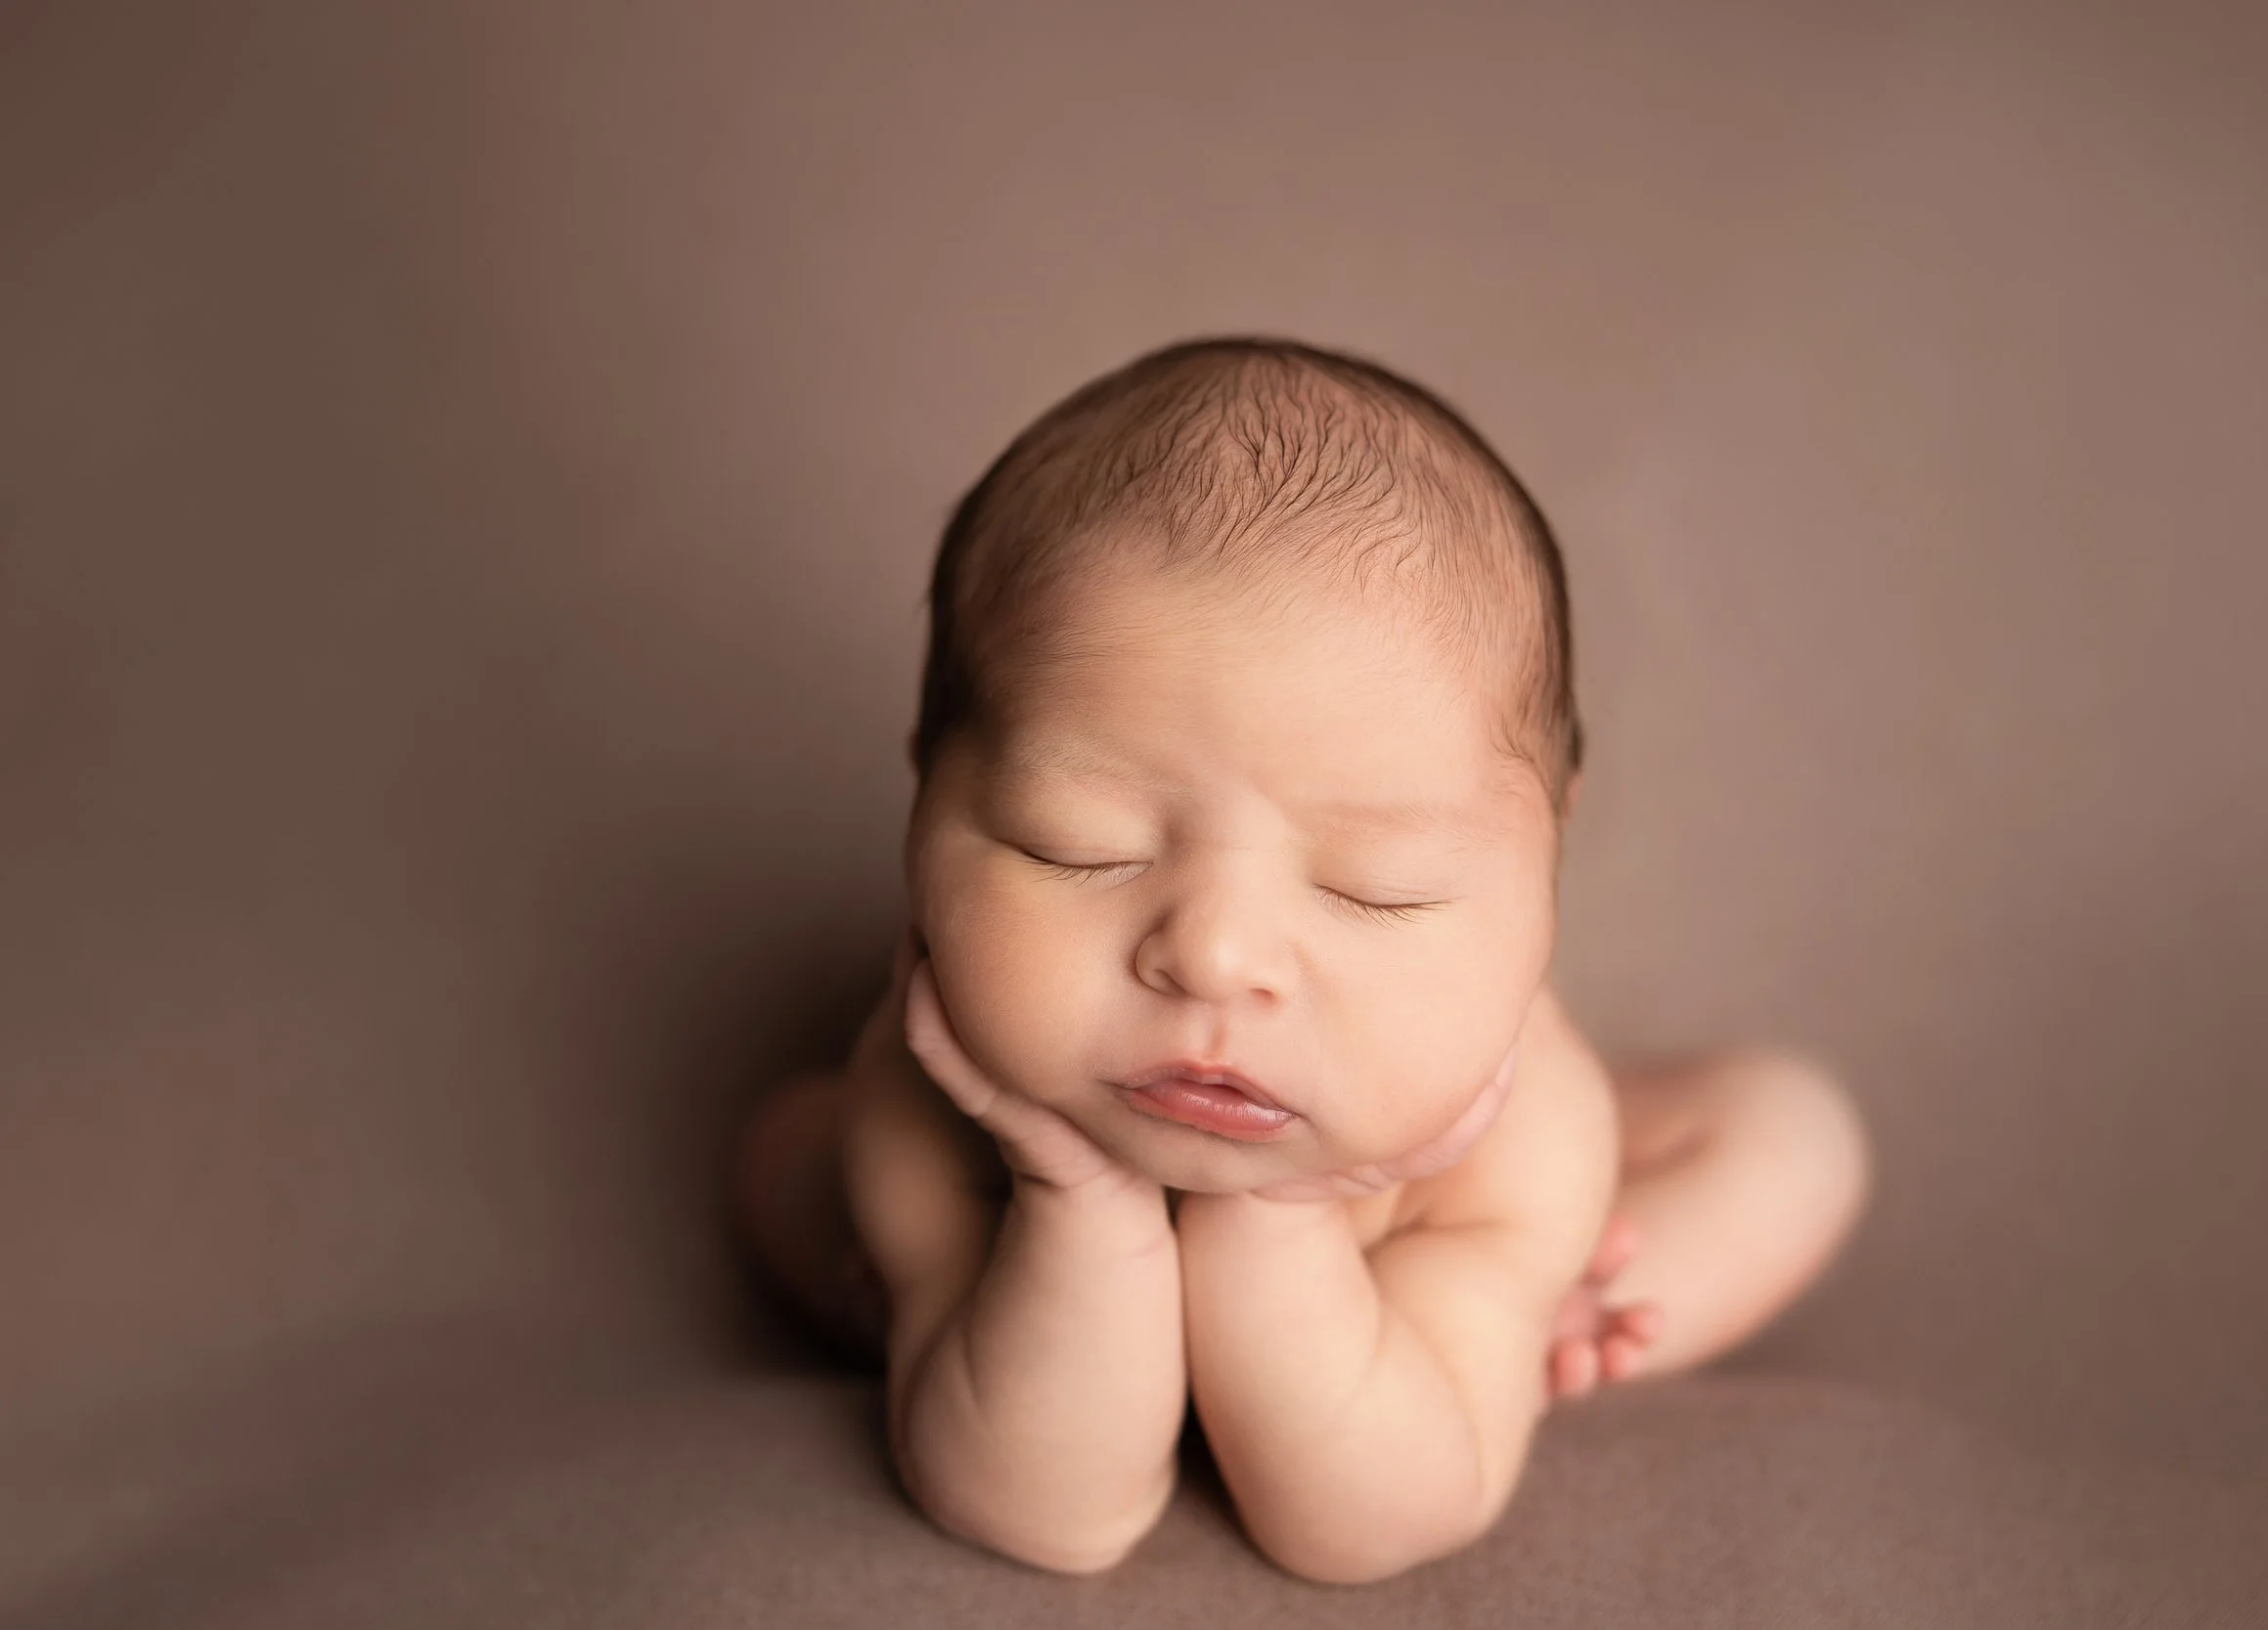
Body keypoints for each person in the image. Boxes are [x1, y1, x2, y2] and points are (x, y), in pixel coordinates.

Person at [731, 337, 1871, 1583]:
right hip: (1001, 1196)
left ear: (1544, 853)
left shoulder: (1522, 1131)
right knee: (788, 1153)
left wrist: (1280, 1218)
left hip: (1418, 1233)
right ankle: (928, 1312)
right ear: (926, 789)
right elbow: (1049, 1513)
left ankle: (1519, 1330)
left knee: (1790, 1134)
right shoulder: (933, 1092)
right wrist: (1070, 1195)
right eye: (1079, 847)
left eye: (1374, 888)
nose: (1215, 955)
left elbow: (1366, 1523)